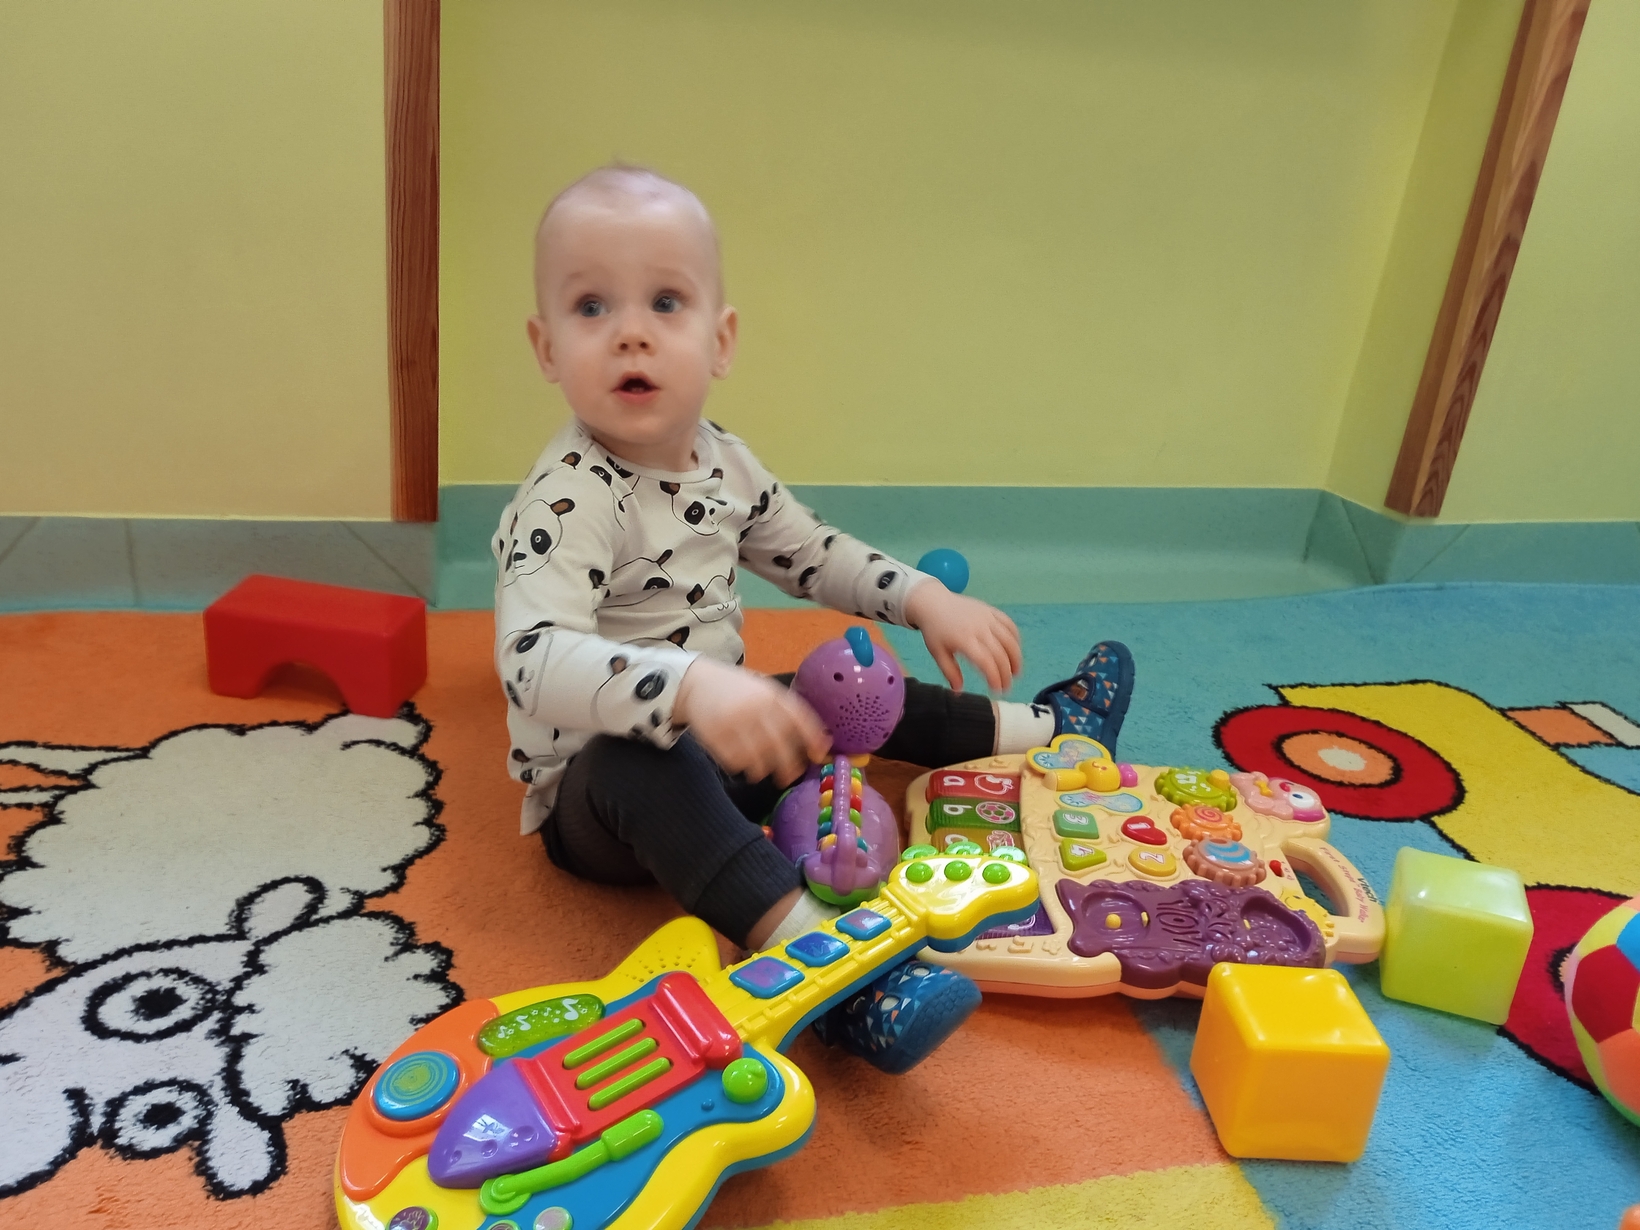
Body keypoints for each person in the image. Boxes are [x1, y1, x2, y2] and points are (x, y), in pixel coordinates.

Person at [494, 165, 1134, 1072]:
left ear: (720, 340)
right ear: (547, 348)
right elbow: (530, 658)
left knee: (835, 683)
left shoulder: (724, 462)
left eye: (666, 302)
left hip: (729, 739)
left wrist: (923, 598)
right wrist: (693, 689)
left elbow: (813, 554)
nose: (631, 332)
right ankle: (831, 975)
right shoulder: (567, 498)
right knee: (640, 760)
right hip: (601, 797)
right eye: (591, 307)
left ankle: (1049, 728)